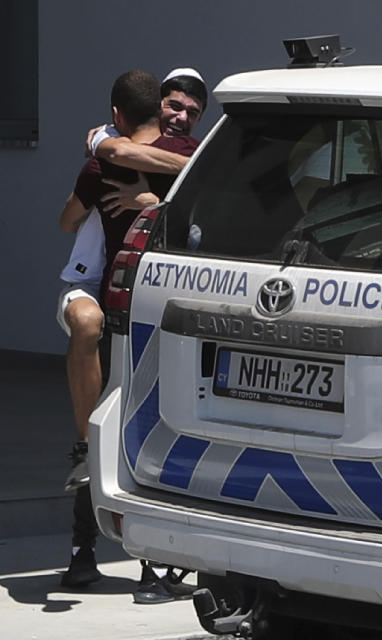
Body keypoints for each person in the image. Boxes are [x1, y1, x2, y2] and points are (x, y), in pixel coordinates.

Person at [57, 70, 202, 597]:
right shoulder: (107, 155)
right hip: (107, 296)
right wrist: (106, 154)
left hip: (153, 308)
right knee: (98, 429)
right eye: (173, 104)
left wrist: (150, 201)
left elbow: (68, 218)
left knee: (139, 435)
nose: (179, 116)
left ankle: (152, 565)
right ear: (156, 108)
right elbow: (71, 220)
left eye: (190, 108)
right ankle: (83, 555)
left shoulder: (181, 156)